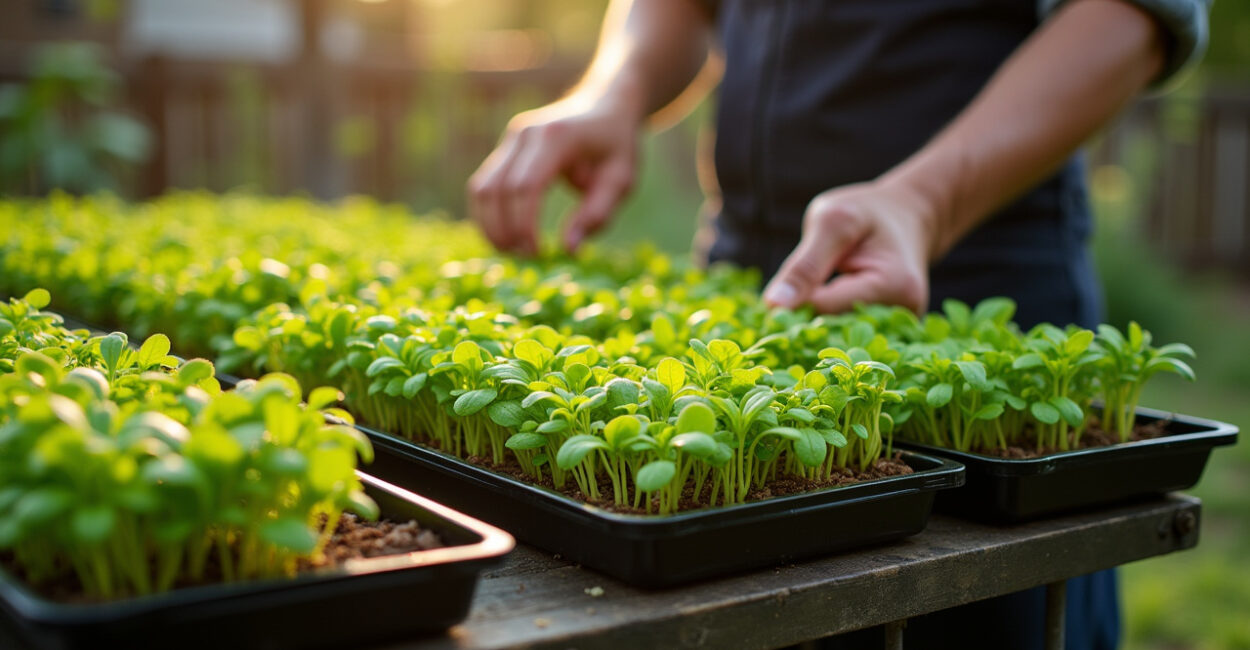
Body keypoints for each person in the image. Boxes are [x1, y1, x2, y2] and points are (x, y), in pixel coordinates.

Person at [467, 0, 1210, 647]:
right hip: (748, 283)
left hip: (977, 281)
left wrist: (930, 202)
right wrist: (614, 91)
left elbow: (1136, 13)